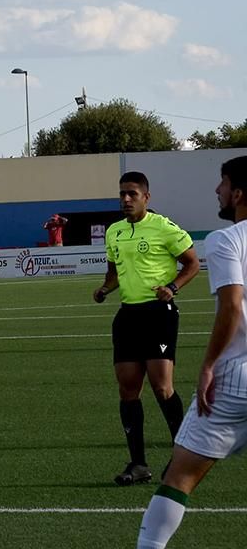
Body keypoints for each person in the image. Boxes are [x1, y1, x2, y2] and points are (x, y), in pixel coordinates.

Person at [122, 156, 247, 549]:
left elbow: (231, 307)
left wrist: (209, 364)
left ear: (239, 192)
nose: (217, 191)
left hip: (235, 379)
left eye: (223, 183)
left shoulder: (226, 239)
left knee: (180, 475)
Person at [94, 172, 201, 486]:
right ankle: (138, 464)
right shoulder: (114, 232)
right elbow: (113, 274)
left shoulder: (164, 228)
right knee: (128, 389)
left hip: (159, 314)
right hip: (128, 316)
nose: (126, 200)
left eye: (132, 194)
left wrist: (172, 287)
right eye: (122, 194)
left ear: (146, 197)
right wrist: (104, 289)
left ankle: (185, 458)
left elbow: (192, 263)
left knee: (161, 386)